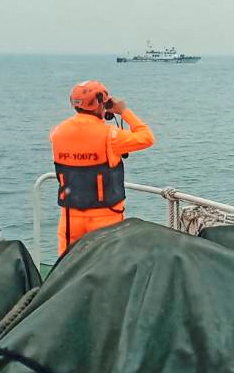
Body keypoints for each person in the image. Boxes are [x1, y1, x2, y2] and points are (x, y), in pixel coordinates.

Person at [49, 80, 155, 255]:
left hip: (69, 217)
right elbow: (147, 137)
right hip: (105, 217)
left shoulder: (57, 132)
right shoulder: (111, 136)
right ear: (100, 103)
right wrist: (123, 111)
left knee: (67, 266)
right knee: (107, 265)